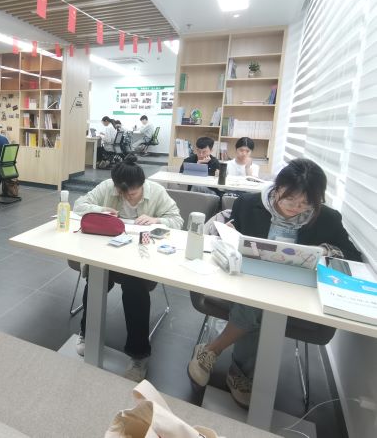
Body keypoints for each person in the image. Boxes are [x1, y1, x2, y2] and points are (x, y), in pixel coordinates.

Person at [187, 159, 360, 408]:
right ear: (278, 188)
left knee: (258, 308)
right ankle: (239, 374)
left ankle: (211, 350)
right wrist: (227, 236)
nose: (296, 208)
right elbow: (229, 237)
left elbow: (352, 256)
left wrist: (324, 250)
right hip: (248, 280)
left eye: (305, 203)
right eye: (291, 200)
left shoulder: (327, 218)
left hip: (296, 288)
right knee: (256, 303)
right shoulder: (248, 204)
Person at [74, 154, 183, 381]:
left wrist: (157, 220)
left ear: (142, 185)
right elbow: (79, 205)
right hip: (109, 252)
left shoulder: (156, 191)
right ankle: (87, 333)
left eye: (132, 194)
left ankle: (139, 354)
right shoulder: (108, 187)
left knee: (135, 288)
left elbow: (177, 220)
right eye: (122, 193)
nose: (126, 197)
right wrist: (100, 209)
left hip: (141, 258)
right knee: (96, 278)